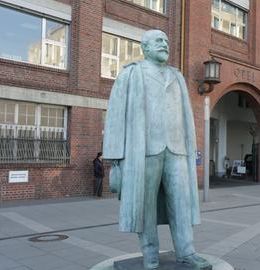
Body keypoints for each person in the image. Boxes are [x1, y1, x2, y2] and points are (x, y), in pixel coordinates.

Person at [102, 30, 211, 270]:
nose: (165, 44)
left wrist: (191, 146)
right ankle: (150, 253)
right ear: (145, 47)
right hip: (144, 151)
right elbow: (115, 116)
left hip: (177, 149)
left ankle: (186, 251)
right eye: (159, 41)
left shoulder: (177, 76)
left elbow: (186, 114)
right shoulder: (131, 74)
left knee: (181, 201)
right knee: (145, 204)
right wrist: (114, 157)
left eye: (167, 41)